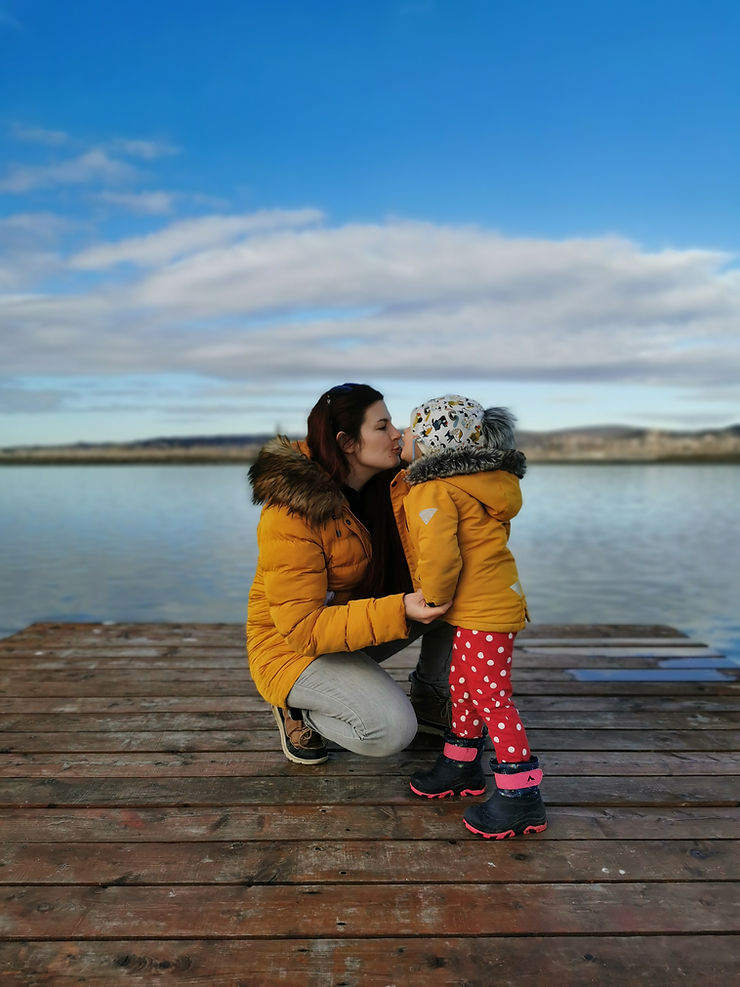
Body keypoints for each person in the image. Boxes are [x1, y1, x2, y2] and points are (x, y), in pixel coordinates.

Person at [246, 382, 454, 765]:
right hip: (292, 646)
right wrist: (401, 609)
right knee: (389, 731)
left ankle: (429, 695)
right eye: (382, 426)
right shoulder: (291, 513)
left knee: (462, 591)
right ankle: (296, 707)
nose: (398, 435)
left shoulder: (395, 485)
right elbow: (303, 628)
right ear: (347, 442)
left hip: (347, 627)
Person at [391, 394, 547, 839]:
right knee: (462, 684)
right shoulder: (477, 482)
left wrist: (432, 599)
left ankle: (521, 795)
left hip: (484, 608)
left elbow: (440, 553)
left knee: (490, 695)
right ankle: (461, 765)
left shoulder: (432, 489)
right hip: (487, 602)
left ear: (430, 445)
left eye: (410, 430)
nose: (402, 435)